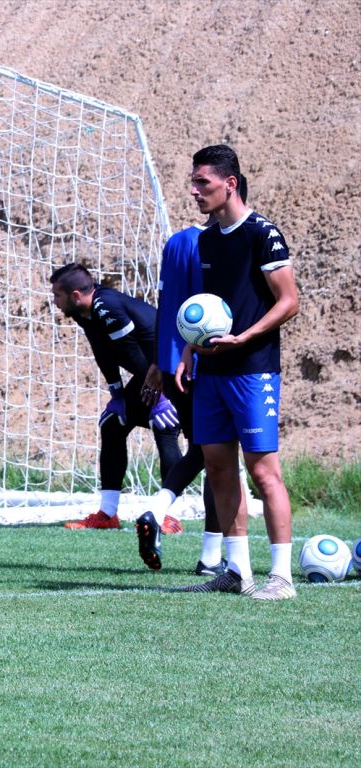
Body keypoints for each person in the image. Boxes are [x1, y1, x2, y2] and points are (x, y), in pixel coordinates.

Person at [175, 144, 299, 600]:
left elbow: (289, 301)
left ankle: (281, 578)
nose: (194, 191)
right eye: (193, 182)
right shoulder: (205, 240)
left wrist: (246, 338)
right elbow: (209, 309)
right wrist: (189, 350)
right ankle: (236, 570)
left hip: (253, 369)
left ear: (230, 183)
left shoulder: (263, 233)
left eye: (202, 182)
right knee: (218, 467)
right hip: (211, 371)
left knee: (263, 472)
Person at [135, 174, 249, 575]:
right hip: (209, 363)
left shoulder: (177, 241)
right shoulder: (222, 244)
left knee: (206, 453)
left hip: (172, 366)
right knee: (218, 456)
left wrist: (157, 363)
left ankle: (209, 555)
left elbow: (166, 305)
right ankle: (194, 542)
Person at [50, 264, 183, 531]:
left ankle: (168, 515)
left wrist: (161, 397)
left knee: (165, 425)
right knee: (112, 424)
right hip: (151, 372)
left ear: (75, 295)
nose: (55, 302)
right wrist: (117, 394)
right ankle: (107, 515)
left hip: (173, 368)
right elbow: (103, 353)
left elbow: (135, 352)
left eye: (57, 296)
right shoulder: (83, 313)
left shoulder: (106, 307)